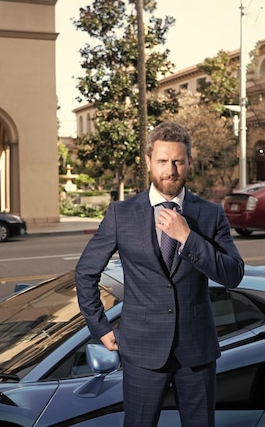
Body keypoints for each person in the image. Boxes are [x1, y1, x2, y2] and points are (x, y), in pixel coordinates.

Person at [75, 122, 245, 427]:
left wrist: (188, 238)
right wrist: (99, 327)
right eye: (163, 161)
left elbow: (233, 274)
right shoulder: (121, 214)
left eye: (179, 161)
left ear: (190, 162)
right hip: (141, 350)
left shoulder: (210, 214)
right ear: (148, 162)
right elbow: (86, 272)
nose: (172, 170)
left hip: (196, 350)